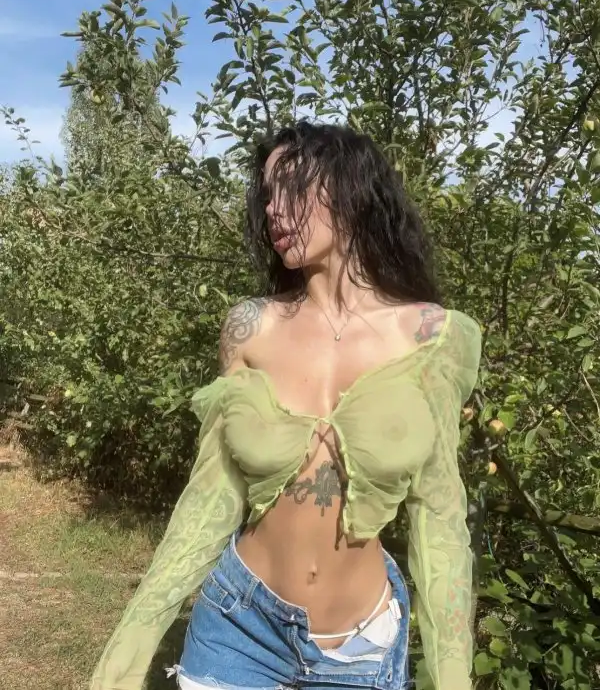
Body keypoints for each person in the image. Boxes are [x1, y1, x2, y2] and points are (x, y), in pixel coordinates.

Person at [90, 121, 481, 690]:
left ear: (351, 188)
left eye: (292, 186)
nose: (273, 208)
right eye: (267, 193)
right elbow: (211, 495)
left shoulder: (435, 337)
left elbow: (438, 517)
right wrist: (127, 654)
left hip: (361, 648)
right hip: (238, 624)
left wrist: (452, 675)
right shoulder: (250, 328)